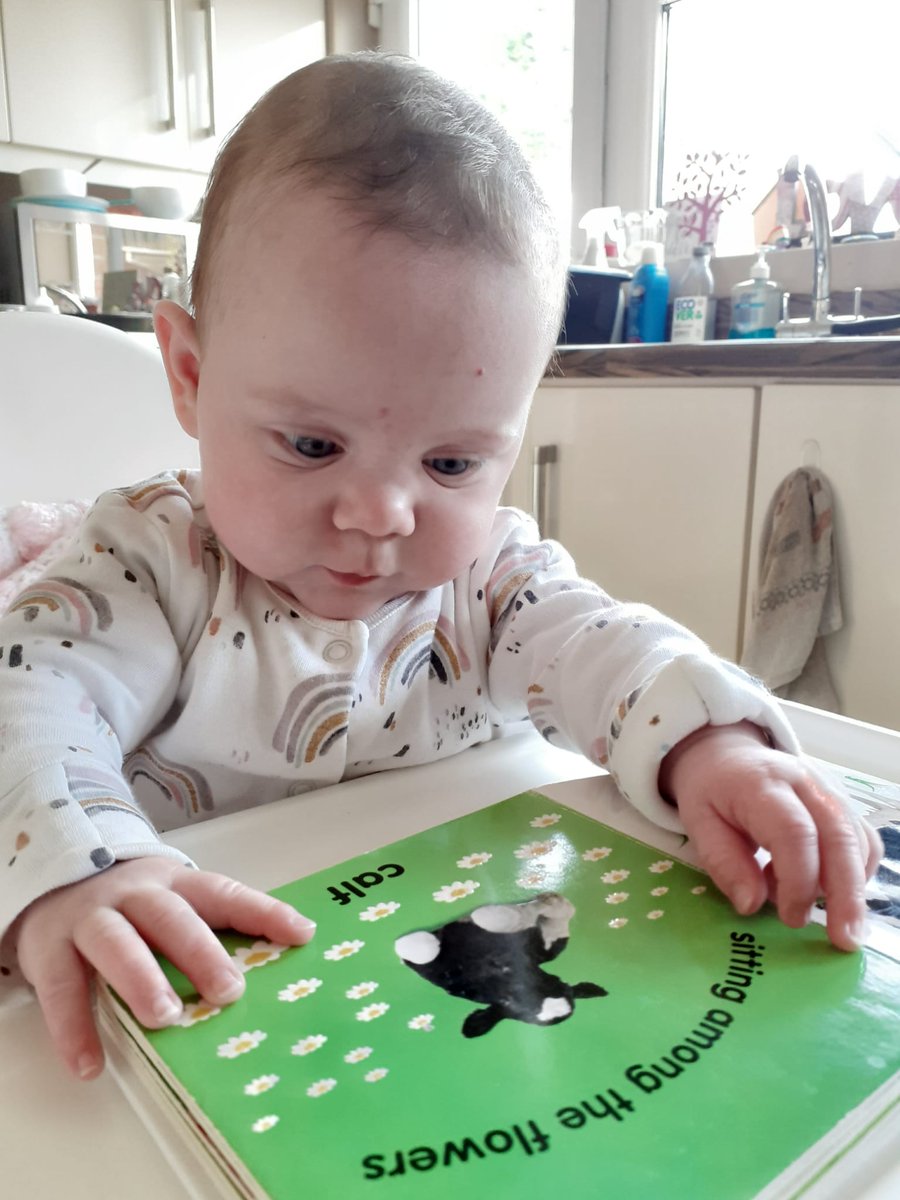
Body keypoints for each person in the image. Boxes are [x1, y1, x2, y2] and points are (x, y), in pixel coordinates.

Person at [0, 52, 880, 1083]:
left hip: (440, 998)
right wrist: (74, 874)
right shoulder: (145, 561)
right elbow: (33, 705)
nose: (382, 516)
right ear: (190, 378)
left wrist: (713, 749)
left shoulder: (490, 580)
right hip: (197, 1000)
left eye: (452, 462)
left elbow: (609, 648)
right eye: (312, 446)